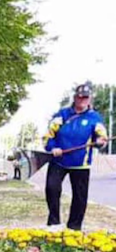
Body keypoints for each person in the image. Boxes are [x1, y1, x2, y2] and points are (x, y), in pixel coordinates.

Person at [44, 81, 109, 231]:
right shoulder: (62, 115)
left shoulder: (95, 118)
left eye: (85, 97)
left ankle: (74, 227)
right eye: (79, 97)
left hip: (81, 162)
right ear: (74, 98)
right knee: (51, 189)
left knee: (80, 197)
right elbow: (48, 136)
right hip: (58, 160)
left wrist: (100, 142)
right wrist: (53, 147)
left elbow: (102, 137)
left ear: (89, 99)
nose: (82, 100)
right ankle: (54, 223)